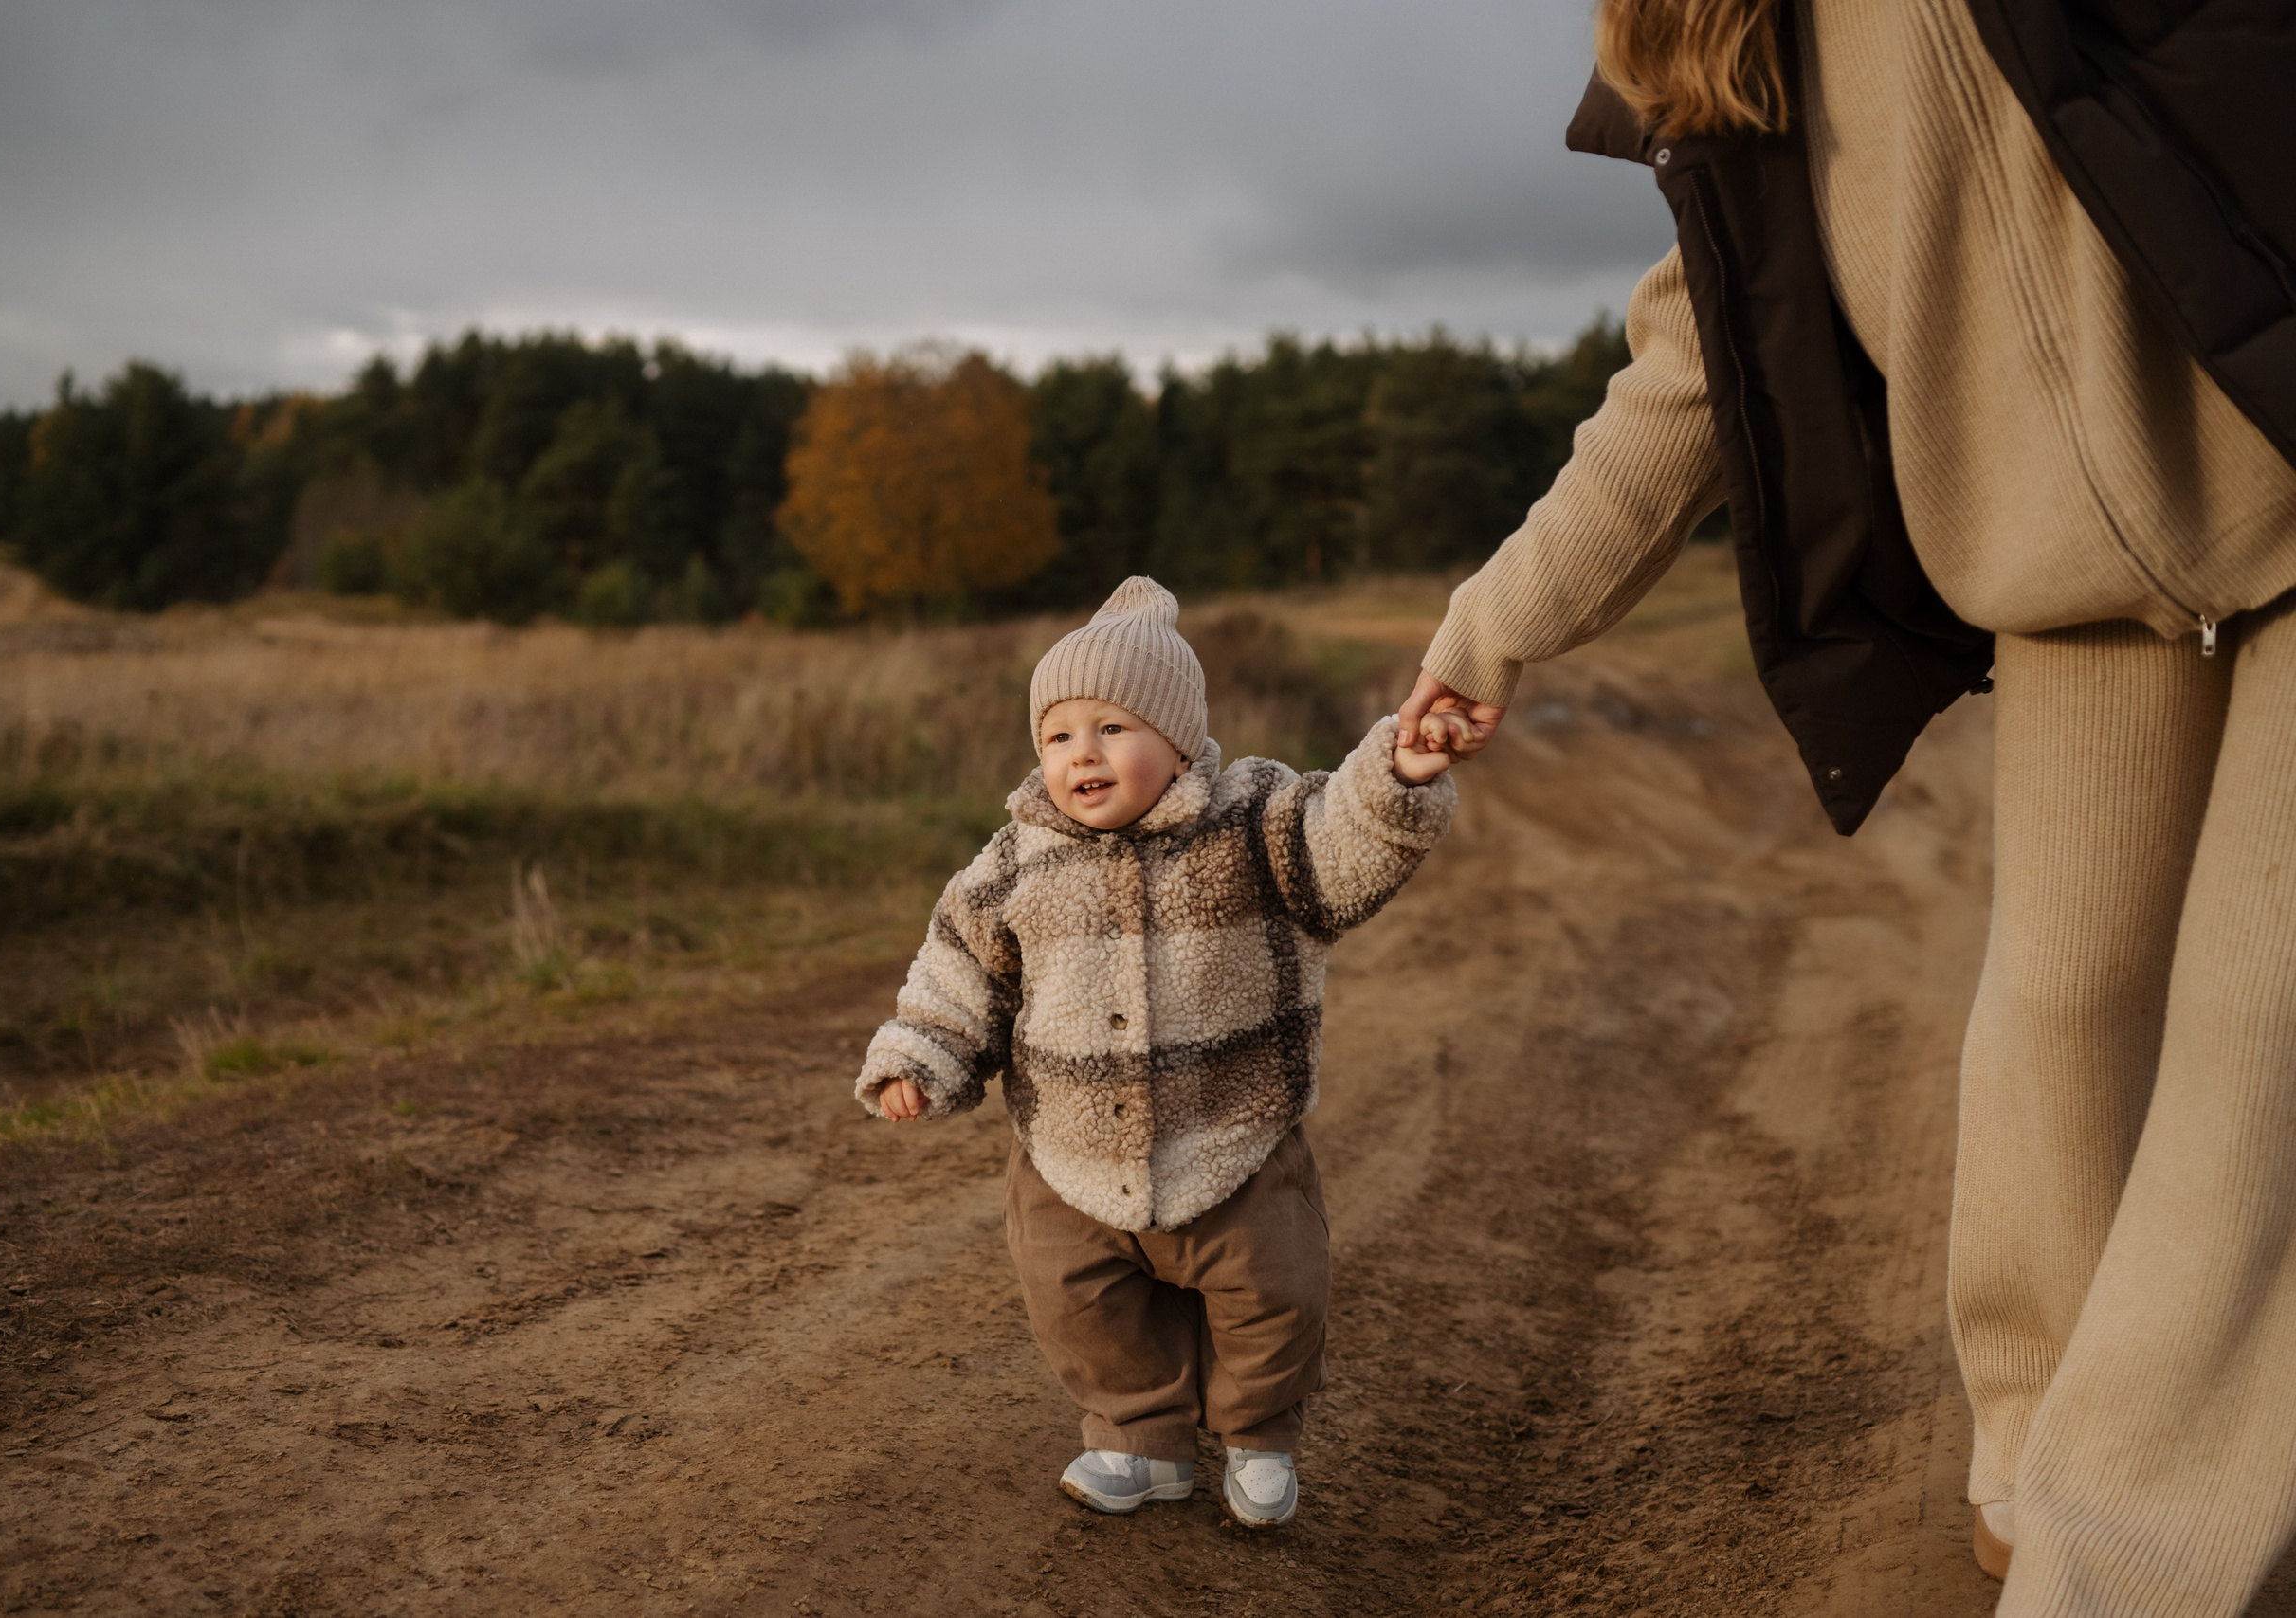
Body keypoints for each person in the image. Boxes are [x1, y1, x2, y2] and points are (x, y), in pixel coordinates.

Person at [1396, 0, 2296, 1611]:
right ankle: (2028, 1463)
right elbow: (1697, 362)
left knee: (2256, 1052)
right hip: (2069, 585)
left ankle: (2124, 1568)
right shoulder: (1724, 34)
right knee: (2063, 1006)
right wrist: (1494, 622)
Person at [856, 575, 1475, 1530]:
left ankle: (1258, 1435)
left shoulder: (1250, 823)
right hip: (1067, 1155)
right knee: (1078, 1298)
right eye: (1059, 736)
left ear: (1179, 738)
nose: (1082, 754)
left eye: (1112, 728)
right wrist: (920, 1056)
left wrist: (1394, 772)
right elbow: (957, 973)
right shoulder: (1014, 862)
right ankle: (1139, 1440)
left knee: (1273, 1293)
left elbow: (1340, 838)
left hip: (1233, 1136)